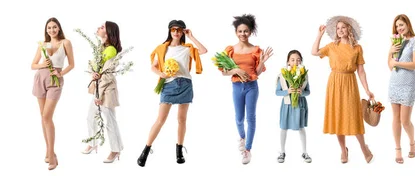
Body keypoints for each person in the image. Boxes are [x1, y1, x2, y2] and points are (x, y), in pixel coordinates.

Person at [136, 20, 207, 167]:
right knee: (160, 119)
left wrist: (192, 37)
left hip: (185, 84)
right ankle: (146, 150)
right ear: (169, 31)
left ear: (183, 32)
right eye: (174, 29)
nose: (176, 32)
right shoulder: (162, 48)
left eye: (179, 30)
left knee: (182, 119)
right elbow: (153, 67)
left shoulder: (187, 48)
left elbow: (203, 51)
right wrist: (162, 74)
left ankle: (179, 150)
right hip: (168, 85)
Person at [311, 15, 375, 164]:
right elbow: (314, 52)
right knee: (338, 116)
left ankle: (363, 147)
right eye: (338, 28)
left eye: (343, 27)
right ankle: (343, 150)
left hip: (350, 82)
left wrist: (367, 89)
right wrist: (319, 35)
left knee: (354, 116)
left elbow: (361, 71)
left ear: (349, 29)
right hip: (334, 82)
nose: (340, 30)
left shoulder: (357, 48)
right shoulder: (332, 46)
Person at [220, 14, 273, 165]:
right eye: (240, 31)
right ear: (236, 32)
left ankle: (248, 150)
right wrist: (236, 71)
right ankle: (242, 138)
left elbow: (257, 72)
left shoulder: (256, 50)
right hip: (236, 86)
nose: (243, 34)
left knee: (251, 118)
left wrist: (262, 62)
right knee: (239, 118)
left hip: (251, 87)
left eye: (246, 31)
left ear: (250, 32)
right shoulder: (230, 50)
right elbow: (223, 71)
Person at [31, 17, 75, 170]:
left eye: (54, 27)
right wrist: (42, 64)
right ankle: (49, 152)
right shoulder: (43, 44)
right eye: (49, 28)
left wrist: (61, 73)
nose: (52, 30)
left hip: (55, 81)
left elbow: (72, 64)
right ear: (46, 30)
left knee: (46, 116)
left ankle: (52, 155)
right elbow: (33, 65)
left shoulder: (66, 43)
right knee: (43, 117)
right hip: (40, 78)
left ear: (59, 28)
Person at [81, 21, 125, 164]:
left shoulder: (111, 50)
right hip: (98, 88)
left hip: (106, 90)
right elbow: (96, 68)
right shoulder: (101, 47)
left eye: (102, 27)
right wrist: (94, 74)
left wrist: (100, 95)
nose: (98, 28)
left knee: (109, 121)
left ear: (107, 33)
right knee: (90, 117)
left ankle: (115, 149)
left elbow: (107, 74)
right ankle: (93, 142)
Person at [387, 14, 415, 164]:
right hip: (394, 82)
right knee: (395, 118)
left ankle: (413, 142)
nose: (399, 28)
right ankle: (397, 149)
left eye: (401, 25)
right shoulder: (396, 42)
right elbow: (390, 66)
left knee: (405, 120)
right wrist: (391, 51)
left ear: (408, 24)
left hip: (408, 83)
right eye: (397, 26)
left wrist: (397, 63)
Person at [276, 50, 312, 163]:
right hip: (286, 105)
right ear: (288, 62)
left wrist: (301, 92)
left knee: (301, 128)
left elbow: (308, 92)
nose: (295, 62)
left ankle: (304, 152)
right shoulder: (282, 75)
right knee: (283, 128)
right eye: (292, 60)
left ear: (301, 61)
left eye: (298, 60)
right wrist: (287, 91)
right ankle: (282, 152)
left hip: (300, 104)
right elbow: (277, 92)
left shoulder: (304, 75)